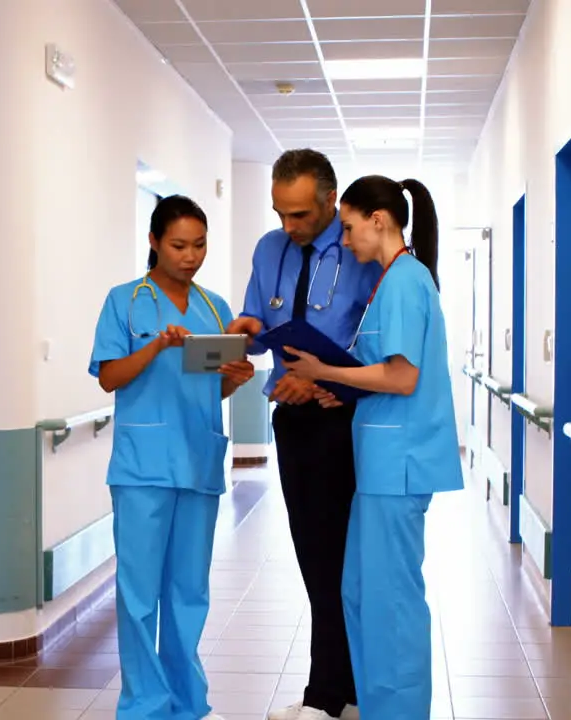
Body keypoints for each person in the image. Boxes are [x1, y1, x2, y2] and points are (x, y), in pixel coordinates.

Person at [281, 175, 464, 720]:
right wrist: (348, 391)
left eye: (350, 226)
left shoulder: (407, 281)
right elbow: (385, 372)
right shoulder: (391, 281)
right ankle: (377, 704)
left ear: (378, 220)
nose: (346, 238)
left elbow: (404, 377)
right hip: (379, 464)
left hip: (398, 466)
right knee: (359, 592)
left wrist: (325, 371)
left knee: (393, 604)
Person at [224, 149, 382, 720]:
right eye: (279, 214)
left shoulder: (359, 248)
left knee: (343, 560)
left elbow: (379, 341)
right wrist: (245, 332)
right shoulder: (270, 249)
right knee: (314, 558)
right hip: (291, 417)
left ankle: (335, 694)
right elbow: (259, 322)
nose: (288, 227)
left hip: (345, 416)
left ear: (329, 201)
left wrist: (328, 383)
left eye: (299, 216)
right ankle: (339, 692)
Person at [89, 194, 255, 720]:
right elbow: (110, 376)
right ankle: (143, 705)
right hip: (142, 468)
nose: (190, 256)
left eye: (200, 245)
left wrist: (235, 379)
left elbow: (213, 393)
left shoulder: (214, 310)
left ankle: (188, 704)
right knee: (139, 596)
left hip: (198, 463)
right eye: (179, 245)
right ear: (154, 242)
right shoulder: (126, 302)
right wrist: (156, 346)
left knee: (188, 593)